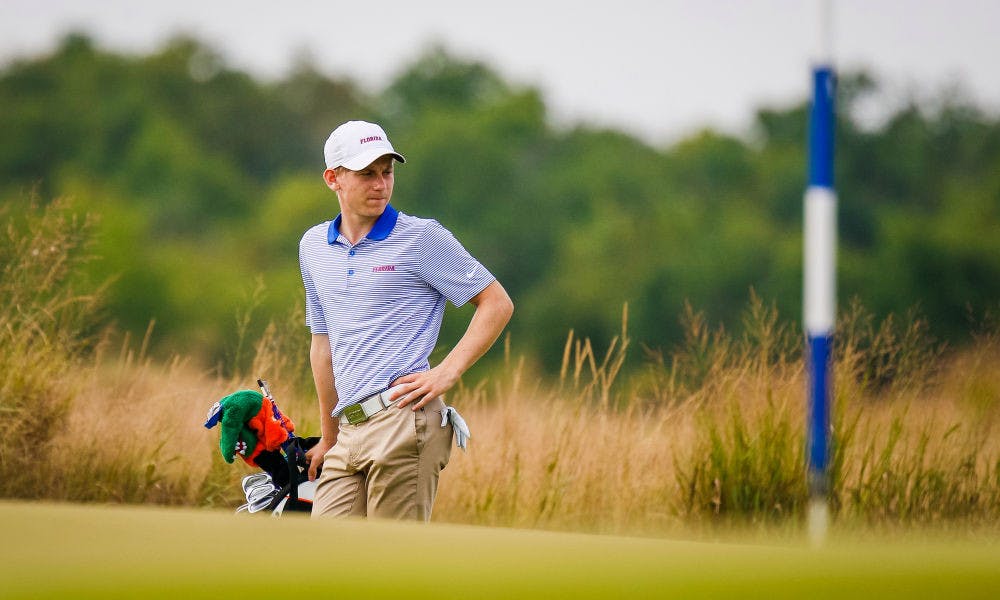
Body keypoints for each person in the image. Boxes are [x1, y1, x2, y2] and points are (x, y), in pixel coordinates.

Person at [299, 120, 513, 521]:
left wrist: (446, 373)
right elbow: (323, 345)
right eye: (367, 174)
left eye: (387, 172)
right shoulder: (313, 247)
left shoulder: (421, 238)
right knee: (327, 560)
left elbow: (496, 303)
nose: (380, 184)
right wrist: (328, 438)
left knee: (389, 564)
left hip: (405, 420)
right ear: (334, 179)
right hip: (348, 430)